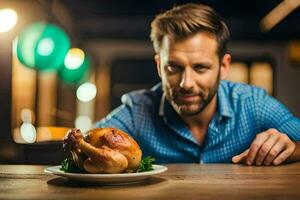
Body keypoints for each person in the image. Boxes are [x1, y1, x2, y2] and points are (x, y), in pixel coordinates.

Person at [95, 3, 300, 165]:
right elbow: (89, 140)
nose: (186, 83)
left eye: (201, 67)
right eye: (173, 67)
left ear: (223, 66)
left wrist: (291, 149)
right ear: (159, 65)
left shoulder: (252, 103)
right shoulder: (138, 110)